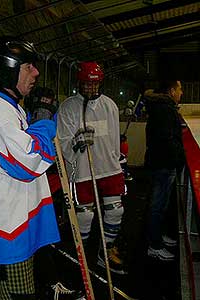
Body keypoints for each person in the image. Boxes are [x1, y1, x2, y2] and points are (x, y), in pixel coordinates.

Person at [0, 36, 84, 300]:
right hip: (6, 227)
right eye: (28, 66)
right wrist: (43, 120)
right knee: (18, 295)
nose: (36, 72)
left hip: (17, 219)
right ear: (7, 69)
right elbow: (27, 161)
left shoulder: (8, 107)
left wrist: (34, 119)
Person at [57, 62, 127, 275]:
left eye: (94, 85)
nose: (90, 89)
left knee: (116, 211)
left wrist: (119, 161)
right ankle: (81, 254)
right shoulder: (68, 107)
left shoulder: (109, 105)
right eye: (86, 85)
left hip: (109, 168)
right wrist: (75, 143)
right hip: (82, 171)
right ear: (79, 83)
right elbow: (62, 141)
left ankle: (105, 251)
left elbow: (114, 138)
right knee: (85, 216)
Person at [144, 80, 184, 261]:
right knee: (157, 206)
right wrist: (179, 159)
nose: (181, 93)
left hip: (161, 163)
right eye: (180, 89)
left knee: (161, 205)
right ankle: (154, 245)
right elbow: (168, 140)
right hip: (163, 164)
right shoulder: (165, 110)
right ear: (171, 90)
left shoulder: (164, 108)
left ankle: (158, 236)